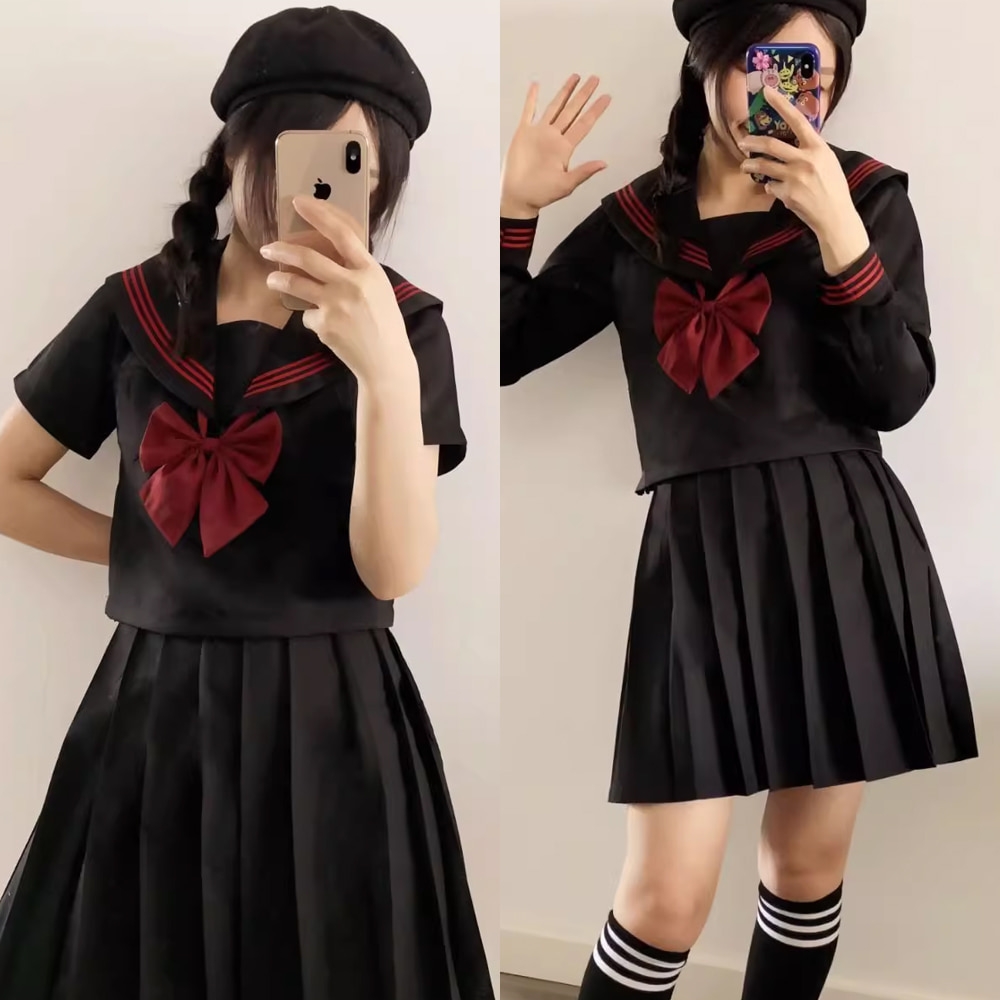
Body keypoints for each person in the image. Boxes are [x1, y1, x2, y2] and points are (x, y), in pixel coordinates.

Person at [0, 7, 492, 999]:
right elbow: (7, 482)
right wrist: (148, 552)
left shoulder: (407, 327)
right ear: (237, 152)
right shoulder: (136, 307)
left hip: (331, 710)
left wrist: (385, 373)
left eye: (359, 166)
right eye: (304, 153)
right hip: (152, 709)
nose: (325, 189)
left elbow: (395, 568)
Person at [500, 1, 977, 997]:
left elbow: (897, 396)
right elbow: (504, 349)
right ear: (712, 65)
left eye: (818, 71)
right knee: (661, 898)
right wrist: (515, 208)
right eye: (773, 64)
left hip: (839, 543)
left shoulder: (866, 195)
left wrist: (839, 234)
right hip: (697, 563)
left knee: (803, 869)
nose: (799, 91)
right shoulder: (637, 222)